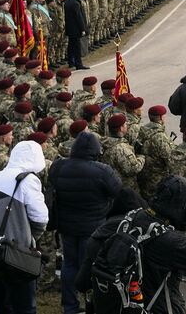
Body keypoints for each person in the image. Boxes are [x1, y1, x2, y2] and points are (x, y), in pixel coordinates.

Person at [80, 176, 186, 314]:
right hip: (155, 307)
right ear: (183, 207)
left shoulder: (133, 216)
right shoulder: (166, 240)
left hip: (123, 305)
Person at [47, 132, 122, 314]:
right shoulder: (102, 171)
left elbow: (52, 185)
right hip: (94, 227)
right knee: (92, 267)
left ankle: (70, 306)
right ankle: (93, 305)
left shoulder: (58, 167)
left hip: (67, 226)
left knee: (69, 265)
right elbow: (116, 189)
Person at [0, 141, 49, 314]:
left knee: (2, 307)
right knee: (24, 307)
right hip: (15, 257)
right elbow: (40, 218)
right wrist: (30, 239)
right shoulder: (27, 180)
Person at [64, 0, 89, 69]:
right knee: (77, 47)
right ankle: (78, 64)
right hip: (75, 29)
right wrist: (83, 29)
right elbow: (79, 17)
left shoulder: (67, 2)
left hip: (70, 28)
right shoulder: (75, 3)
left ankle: (71, 62)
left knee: (71, 46)